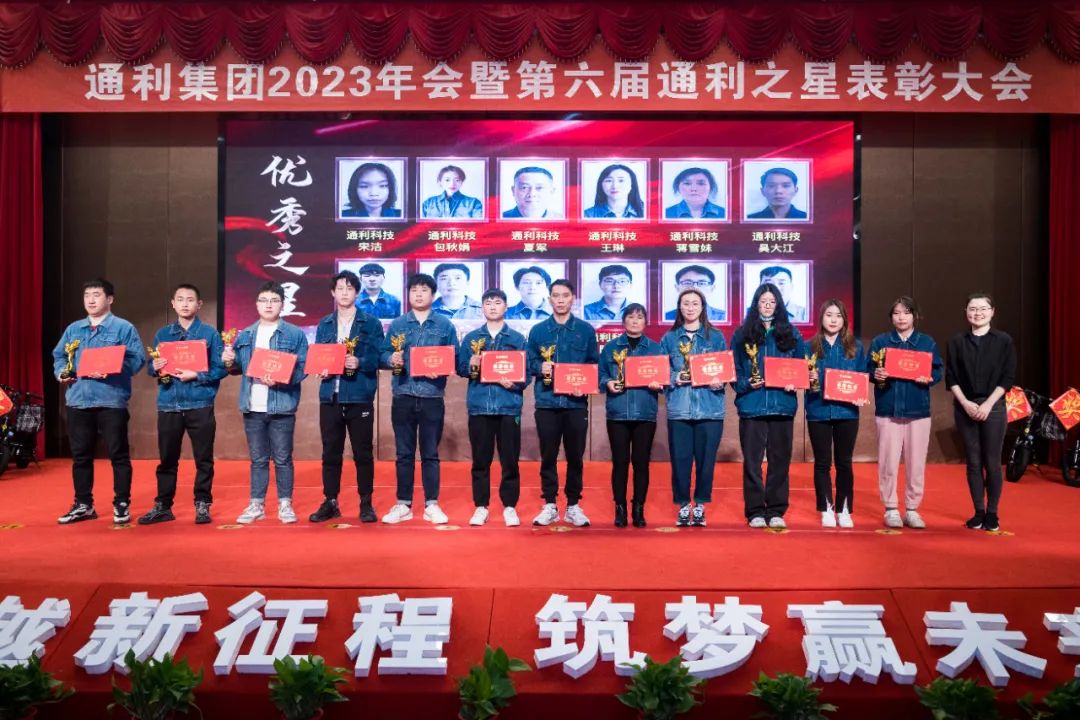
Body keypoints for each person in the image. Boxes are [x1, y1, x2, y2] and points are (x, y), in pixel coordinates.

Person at [53, 279, 146, 525]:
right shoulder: (74, 329)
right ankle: (83, 504)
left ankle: (122, 503)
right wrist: (62, 372)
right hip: (78, 400)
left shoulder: (123, 328)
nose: (91, 300)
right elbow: (59, 356)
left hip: (110, 400)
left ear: (110, 299)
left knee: (118, 455)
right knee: (81, 456)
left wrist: (113, 367)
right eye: (87, 295)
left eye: (96, 295)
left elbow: (138, 359)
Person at [138, 283, 227, 526]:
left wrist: (196, 375)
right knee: (167, 459)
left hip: (200, 403)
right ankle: (163, 506)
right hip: (169, 404)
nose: (185, 304)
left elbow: (221, 368)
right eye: (180, 299)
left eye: (190, 299)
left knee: (204, 459)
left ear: (199, 305)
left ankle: (202, 503)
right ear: (173, 304)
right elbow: (151, 367)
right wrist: (155, 367)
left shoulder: (209, 334)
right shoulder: (163, 335)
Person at [223, 281, 309, 525]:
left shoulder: (294, 334)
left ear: (282, 304)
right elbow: (237, 368)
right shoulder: (246, 334)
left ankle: (285, 504)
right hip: (252, 405)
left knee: (282, 459)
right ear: (256, 304)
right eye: (263, 300)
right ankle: (256, 504)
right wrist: (228, 361)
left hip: (282, 405)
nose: (268, 305)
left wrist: (282, 378)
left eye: (274, 300)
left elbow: (303, 367)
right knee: (258, 460)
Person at [309, 271, 386, 524]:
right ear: (333, 292)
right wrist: (321, 367)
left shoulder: (370, 323)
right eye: (340, 288)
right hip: (330, 395)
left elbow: (379, 357)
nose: (344, 293)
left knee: (363, 453)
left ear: (357, 292)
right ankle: (330, 501)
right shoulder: (324, 323)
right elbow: (320, 355)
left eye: (350, 288)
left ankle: (366, 502)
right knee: (330, 452)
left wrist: (360, 361)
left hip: (359, 395)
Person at [379, 273, 457, 525]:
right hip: (403, 394)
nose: (419, 294)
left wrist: (442, 368)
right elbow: (382, 353)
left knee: (430, 454)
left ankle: (431, 504)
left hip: (432, 395)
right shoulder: (399, 324)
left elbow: (454, 357)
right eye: (414, 290)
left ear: (433, 295)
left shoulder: (444, 325)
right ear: (409, 294)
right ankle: (403, 504)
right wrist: (391, 359)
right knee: (404, 453)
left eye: (424, 290)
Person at [733, 283, 807, 529]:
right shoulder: (742, 334)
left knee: (780, 462)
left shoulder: (792, 333)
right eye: (763, 301)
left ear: (779, 305)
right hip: (751, 406)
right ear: (756, 304)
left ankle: (776, 509)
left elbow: (802, 367)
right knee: (752, 463)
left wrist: (795, 382)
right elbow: (734, 371)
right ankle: (755, 510)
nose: (767, 305)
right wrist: (747, 384)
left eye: (772, 302)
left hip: (782, 406)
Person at [527, 279, 600, 526]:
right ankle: (549, 504)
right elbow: (529, 362)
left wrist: (585, 384)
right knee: (548, 456)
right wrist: (540, 366)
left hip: (576, 404)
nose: (560, 300)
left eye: (565, 295)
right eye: (556, 296)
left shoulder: (585, 330)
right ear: (549, 299)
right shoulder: (538, 331)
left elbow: (594, 365)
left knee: (575, 457)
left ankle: (573, 505)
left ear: (573, 299)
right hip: (547, 403)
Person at [867, 296, 943, 530]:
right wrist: (876, 374)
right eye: (897, 313)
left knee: (916, 463)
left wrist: (929, 377)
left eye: (906, 313)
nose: (901, 317)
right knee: (888, 462)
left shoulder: (926, 342)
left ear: (915, 316)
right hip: (888, 410)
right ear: (891, 317)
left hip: (918, 411)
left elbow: (937, 370)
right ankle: (890, 507)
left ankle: (912, 508)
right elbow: (869, 368)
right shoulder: (881, 342)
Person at [456, 289, 527, 527]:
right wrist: (471, 364)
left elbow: (527, 374)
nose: (493, 306)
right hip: (479, 407)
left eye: (498, 302)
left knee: (510, 460)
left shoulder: (517, 339)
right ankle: (481, 506)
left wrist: (514, 383)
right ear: (482, 308)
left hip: (508, 406)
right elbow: (461, 368)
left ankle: (510, 506)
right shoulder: (472, 338)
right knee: (480, 460)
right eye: (488, 303)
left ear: (506, 307)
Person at [946, 293, 1016, 533]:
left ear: (992, 312)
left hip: (993, 407)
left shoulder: (1003, 340)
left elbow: (1008, 377)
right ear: (966, 312)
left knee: (992, 462)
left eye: (983, 308)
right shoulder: (956, 341)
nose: (978, 313)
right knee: (973, 462)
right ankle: (978, 512)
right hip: (965, 406)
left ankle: (992, 513)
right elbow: (951, 377)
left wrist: (987, 405)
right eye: (973, 309)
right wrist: (965, 403)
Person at [660, 289, 728, 527]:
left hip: (710, 409)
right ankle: (683, 505)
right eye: (686, 303)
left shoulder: (716, 337)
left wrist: (720, 380)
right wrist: (674, 377)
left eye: (695, 303)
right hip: (679, 409)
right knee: (680, 461)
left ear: (702, 307)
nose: (690, 308)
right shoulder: (669, 339)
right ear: (679, 307)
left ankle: (699, 505)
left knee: (706, 461)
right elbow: (660, 373)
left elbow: (724, 369)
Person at [599, 304, 662, 528]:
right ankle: (620, 508)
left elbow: (664, 377)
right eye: (631, 317)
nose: (635, 321)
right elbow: (600, 375)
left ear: (645, 322)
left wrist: (659, 383)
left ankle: (638, 508)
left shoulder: (655, 348)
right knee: (620, 463)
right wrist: (608, 382)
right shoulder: (610, 348)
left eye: (640, 317)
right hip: (618, 413)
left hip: (645, 413)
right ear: (623, 320)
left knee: (641, 463)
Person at [804, 299, 865, 529]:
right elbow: (799, 377)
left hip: (847, 412)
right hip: (817, 410)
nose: (833, 320)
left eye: (838, 316)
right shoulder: (808, 346)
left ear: (844, 320)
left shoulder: (855, 347)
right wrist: (807, 378)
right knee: (822, 463)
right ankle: (826, 509)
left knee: (844, 463)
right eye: (829, 315)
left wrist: (859, 393)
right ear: (821, 318)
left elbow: (862, 377)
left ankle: (844, 509)